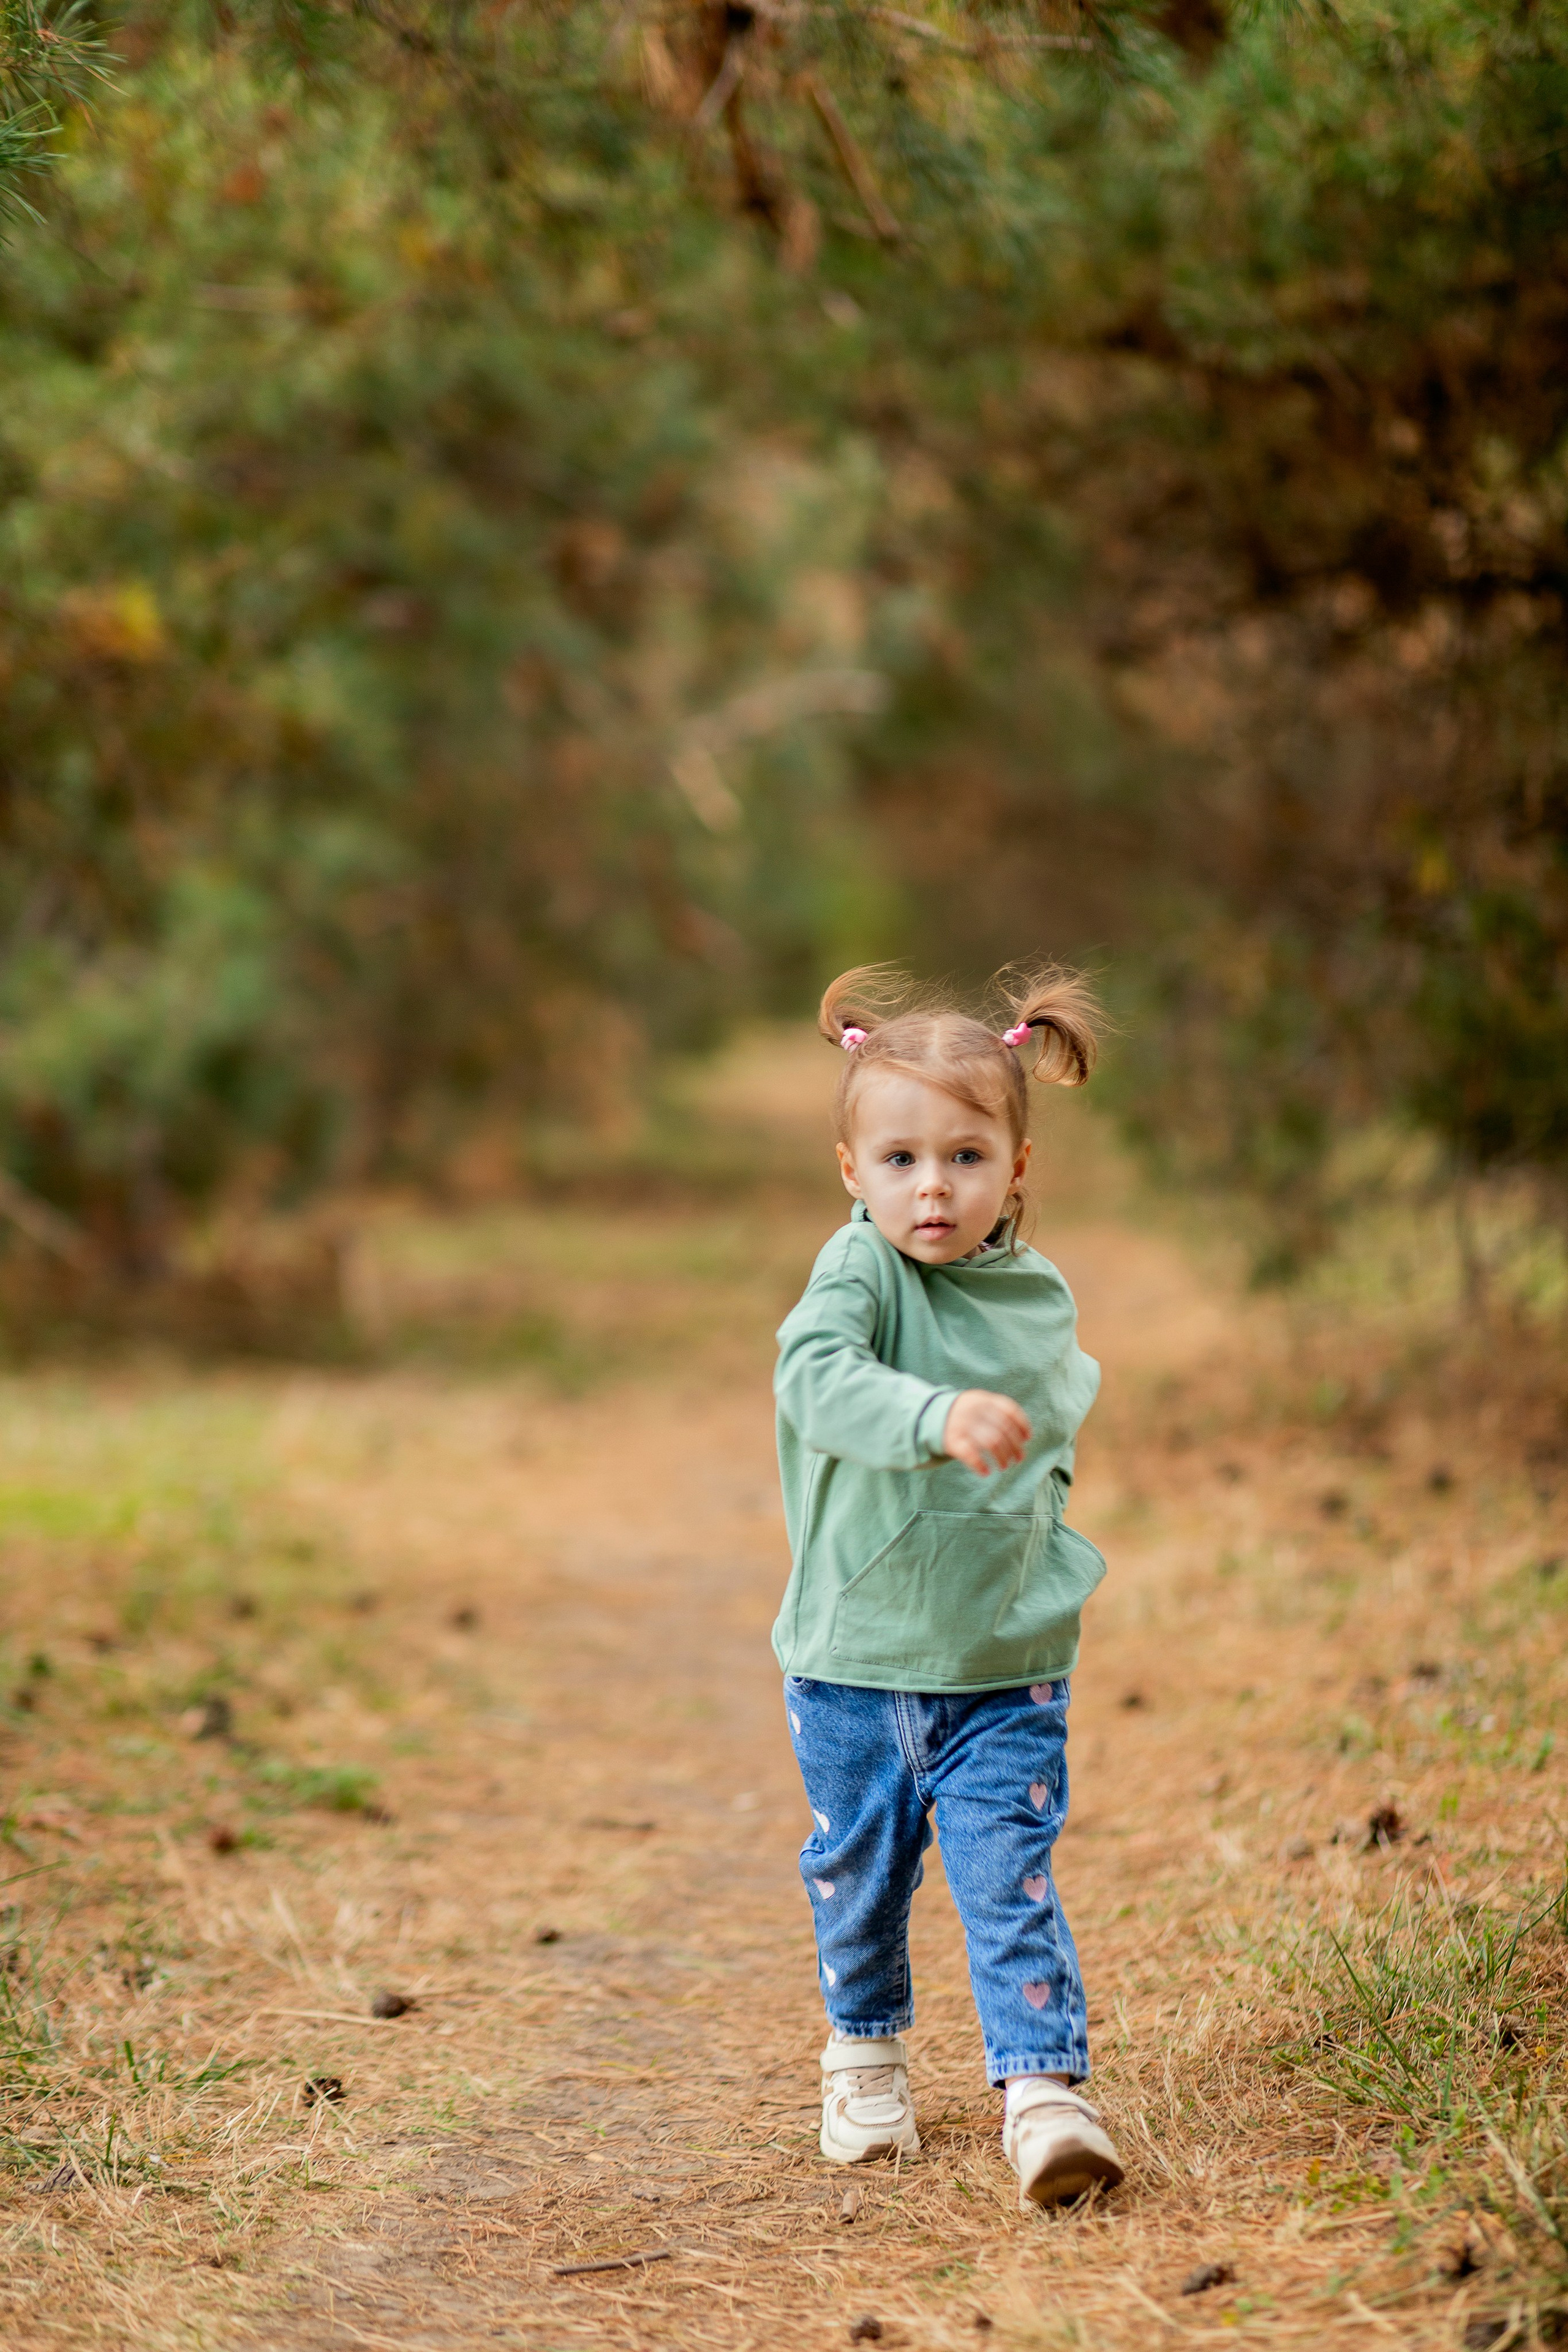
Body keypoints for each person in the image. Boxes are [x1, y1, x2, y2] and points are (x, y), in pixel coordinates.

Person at [772, 963, 1125, 2210]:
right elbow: (811, 1378)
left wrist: (1038, 1524)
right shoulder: (857, 1275)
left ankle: (1042, 2095)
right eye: (903, 1159)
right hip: (854, 1658)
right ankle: (863, 2053)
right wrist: (930, 1415)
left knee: (1004, 1875)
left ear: (1016, 1169)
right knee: (860, 1878)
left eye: (967, 1158)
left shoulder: (1035, 1295)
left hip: (998, 1661)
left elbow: (1055, 1419)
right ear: (851, 1171)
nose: (933, 1187)